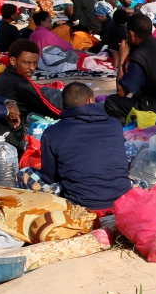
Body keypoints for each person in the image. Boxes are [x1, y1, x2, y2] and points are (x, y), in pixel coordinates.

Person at [38, 83, 132, 211]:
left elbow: (50, 178)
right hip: (121, 199)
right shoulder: (114, 124)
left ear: (64, 106)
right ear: (90, 100)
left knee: (24, 174)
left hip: (81, 204)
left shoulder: (52, 132)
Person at [0, 39, 62, 122]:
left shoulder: (6, 74)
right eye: (27, 63)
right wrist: (71, 116)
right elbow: (47, 108)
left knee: (45, 91)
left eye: (35, 63)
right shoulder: (21, 83)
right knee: (54, 94)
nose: (32, 68)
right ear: (13, 61)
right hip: (13, 128)